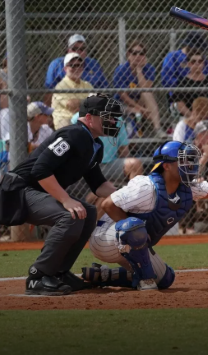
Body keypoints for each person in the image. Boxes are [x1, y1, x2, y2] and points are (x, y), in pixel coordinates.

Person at [82, 140, 208, 290]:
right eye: (184, 162)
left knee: (167, 279)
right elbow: (108, 204)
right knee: (134, 227)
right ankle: (145, 281)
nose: (191, 166)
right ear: (166, 166)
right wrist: (135, 233)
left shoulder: (186, 188)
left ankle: (105, 276)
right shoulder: (145, 185)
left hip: (130, 241)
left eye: (191, 161)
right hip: (105, 240)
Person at [0, 94, 122, 296]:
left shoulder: (95, 145)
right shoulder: (74, 134)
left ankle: (58, 272)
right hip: (17, 191)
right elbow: (40, 170)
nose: (113, 122)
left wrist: (127, 194)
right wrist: (65, 200)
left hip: (35, 191)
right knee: (70, 214)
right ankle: (38, 276)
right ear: (89, 117)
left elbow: (98, 184)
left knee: (89, 212)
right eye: (108, 117)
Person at [113, 40, 165, 138]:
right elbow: (123, 96)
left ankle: (157, 129)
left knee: (146, 93)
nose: (138, 56)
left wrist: (139, 70)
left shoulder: (149, 68)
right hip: (122, 104)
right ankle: (139, 134)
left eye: (141, 53)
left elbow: (146, 88)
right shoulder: (120, 70)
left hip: (142, 102)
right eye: (134, 53)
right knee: (137, 111)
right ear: (129, 55)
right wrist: (140, 109)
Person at [44, 34, 108, 105]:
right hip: (66, 104)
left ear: (86, 51)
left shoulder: (94, 64)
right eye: (74, 48)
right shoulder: (57, 64)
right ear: (68, 50)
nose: (78, 51)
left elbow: (104, 90)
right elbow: (49, 92)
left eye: (82, 49)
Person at [52, 53, 94, 129]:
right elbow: (71, 104)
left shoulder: (87, 85)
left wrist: (79, 104)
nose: (77, 68)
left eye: (79, 65)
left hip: (84, 120)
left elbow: (96, 103)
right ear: (65, 69)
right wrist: (88, 103)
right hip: (67, 122)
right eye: (72, 65)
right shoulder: (61, 86)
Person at [172, 49, 208, 117]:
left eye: (200, 61)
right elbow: (180, 105)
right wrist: (194, 118)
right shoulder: (183, 82)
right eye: (193, 61)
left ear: (203, 63)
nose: (197, 64)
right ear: (189, 64)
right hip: (190, 117)